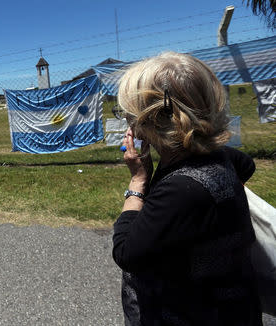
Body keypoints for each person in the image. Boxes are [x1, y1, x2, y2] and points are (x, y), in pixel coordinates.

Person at [112, 52, 262, 326]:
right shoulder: (221, 156)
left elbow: (126, 252)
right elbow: (246, 166)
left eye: (128, 113)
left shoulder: (181, 190)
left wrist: (137, 182)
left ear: (150, 119)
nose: (126, 120)